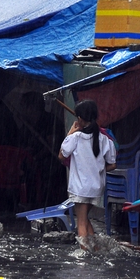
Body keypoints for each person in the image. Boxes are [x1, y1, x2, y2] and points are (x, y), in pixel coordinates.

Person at [58, 100, 116, 250]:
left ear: (81, 119)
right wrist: (98, 169)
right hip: (96, 187)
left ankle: (85, 257)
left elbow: (61, 156)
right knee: (86, 219)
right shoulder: (105, 139)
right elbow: (112, 163)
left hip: (80, 188)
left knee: (81, 222)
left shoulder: (76, 138)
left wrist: (71, 131)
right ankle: (96, 249)